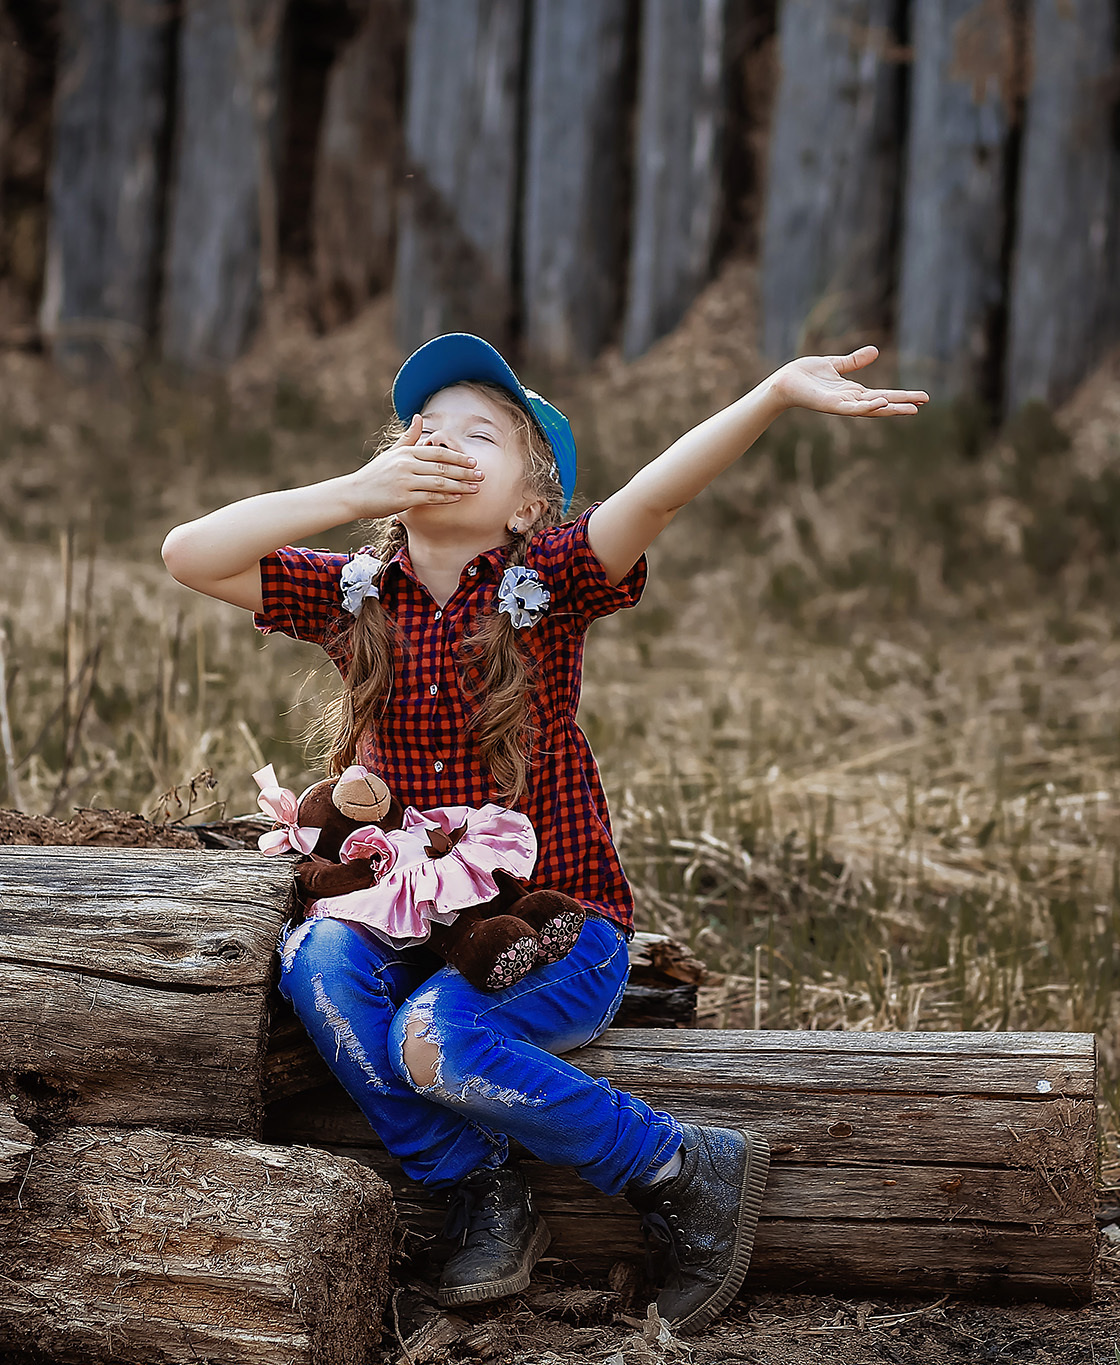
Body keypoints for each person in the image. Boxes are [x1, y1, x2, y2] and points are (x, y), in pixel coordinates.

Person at [160, 333, 926, 1333]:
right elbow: (189, 554)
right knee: (317, 965)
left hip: (556, 934)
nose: (438, 440)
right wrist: (355, 488)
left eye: (478, 433)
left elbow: (652, 498)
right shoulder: (357, 597)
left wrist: (770, 396)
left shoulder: (549, 584)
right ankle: (478, 1186)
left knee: (428, 1040)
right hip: (413, 926)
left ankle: (678, 1166)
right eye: (422, 431)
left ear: (527, 504)